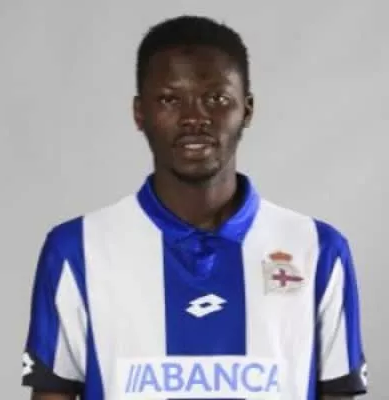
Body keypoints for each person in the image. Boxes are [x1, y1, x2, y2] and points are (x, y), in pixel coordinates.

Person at [21, 15, 368, 400]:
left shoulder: (317, 249)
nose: (194, 118)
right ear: (140, 113)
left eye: (216, 99)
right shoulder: (77, 249)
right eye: (170, 99)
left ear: (247, 109)